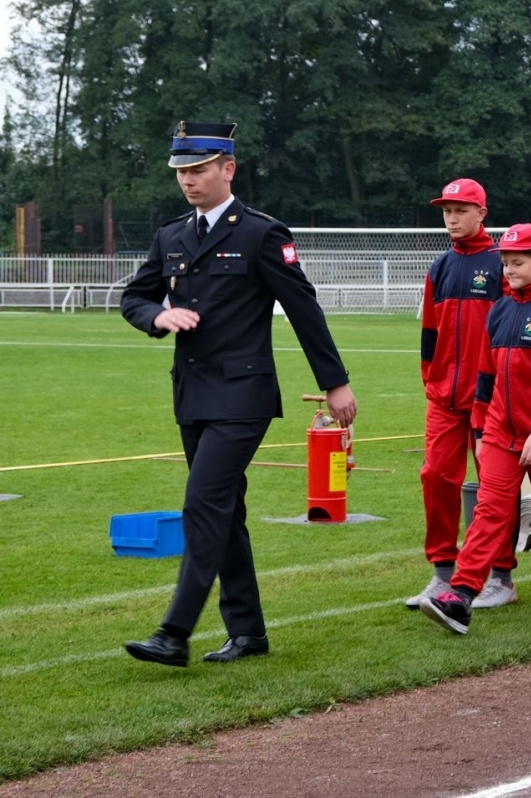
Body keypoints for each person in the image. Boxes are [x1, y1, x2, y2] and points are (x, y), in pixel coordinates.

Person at [121, 121, 356, 667]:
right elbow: (134, 297)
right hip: (192, 395)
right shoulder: (172, 235)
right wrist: (159, 314)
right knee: (225, 512)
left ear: (228, 169)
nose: (188, 181)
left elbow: (303, 309)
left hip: (243, 396)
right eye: (182, 172)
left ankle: (174, 632)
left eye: (199, 170)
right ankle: (248, 632)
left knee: (203, 503)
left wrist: (335, 382)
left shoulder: (261, 233)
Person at [418, 224, 531, 633]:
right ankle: (461, 595)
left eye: (518, 262)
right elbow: (485, 376)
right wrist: (480, 431)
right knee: (490, 510)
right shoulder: (499, 310)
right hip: (499, 433)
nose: (508, 270)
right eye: (505, 262)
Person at [409, 178, 519, 612]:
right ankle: (441, 574)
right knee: (435, 476)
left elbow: (512, 329)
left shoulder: (501, 264)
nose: (452, 219)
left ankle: (502, 577)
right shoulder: (439, 266)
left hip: (488, 400)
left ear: (481, 214)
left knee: (493, 487)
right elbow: (429, 333)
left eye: (460, 210)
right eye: (446, 211)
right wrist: (430, 380)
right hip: (443, 397)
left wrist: (497, 393)